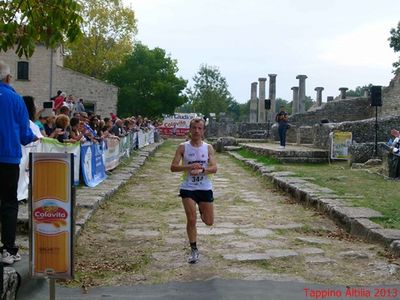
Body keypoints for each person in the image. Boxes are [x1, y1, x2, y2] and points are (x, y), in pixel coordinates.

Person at [0, 61, 38, 265]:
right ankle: (8, 249)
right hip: (7, 158)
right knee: (8, 202)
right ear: (7, 78)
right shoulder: (15, 99)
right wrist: (33, 138)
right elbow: (25, 135)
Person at [170, 117, 217, 264]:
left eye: (199, 128)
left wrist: (202, 170)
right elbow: (173, 167)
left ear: (203, 131)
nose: (196, 131)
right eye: (194, 128)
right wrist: (189, 167)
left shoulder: (208, 147)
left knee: (209, 222)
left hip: (204, 187)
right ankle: (194, 249)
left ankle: (202, 210)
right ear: (190, 130)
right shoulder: (182, 147)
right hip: (188, 187)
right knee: (191, 219)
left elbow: (214, 168)